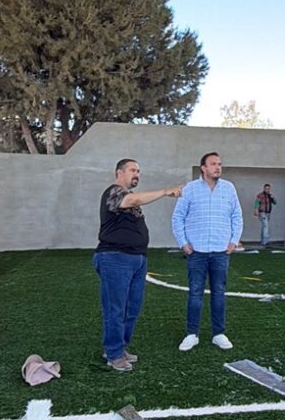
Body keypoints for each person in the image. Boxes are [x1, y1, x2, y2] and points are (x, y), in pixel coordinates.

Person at [95, 158, 181, 372]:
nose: (137, 174)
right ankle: (113, 354)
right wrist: (164, 192)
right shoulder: (113, 192)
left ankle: (119, 347)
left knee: (131, 308)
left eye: (139, 171)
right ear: (119, 172)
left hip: (137, 259)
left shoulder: (130, 197)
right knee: (116, 309)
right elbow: (132, 201)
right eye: (133, 170)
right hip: (115, 258)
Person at [171, 152, 242, 352]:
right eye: (213, 164)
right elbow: (177, 217)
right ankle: (192, 334)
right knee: (195, 293)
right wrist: (183, 243)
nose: (217, 167)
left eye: (219, 164)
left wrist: (233, 241)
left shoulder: (229, 189)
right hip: (196, 252)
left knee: (218, 292)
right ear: (203, 168)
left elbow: (237, 215)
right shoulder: (190, 189)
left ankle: (218, 333)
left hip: (221, 251)